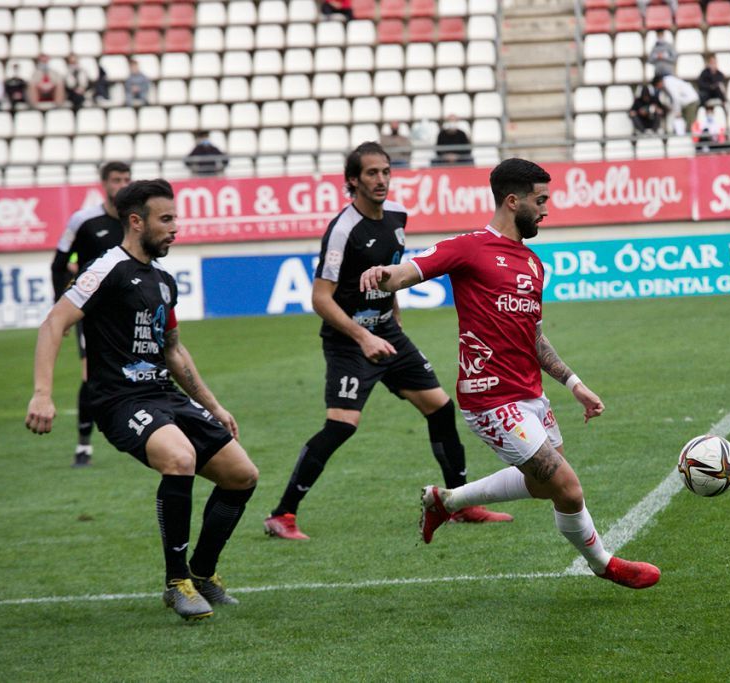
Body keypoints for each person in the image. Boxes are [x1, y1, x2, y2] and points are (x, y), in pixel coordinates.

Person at [358, 158, 661, 590]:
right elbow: (409, 270)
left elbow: (533, 337)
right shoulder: (470, 247)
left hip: (530, 396)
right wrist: (384, 276)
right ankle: (604, 564)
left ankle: (445, 502)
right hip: (490, 399)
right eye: (540, 200)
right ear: (512, 200)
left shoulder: (534, 265)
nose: (546, 210)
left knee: (545, 488)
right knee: (568, 489)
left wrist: (574, 384)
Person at [26, 179, 260, 622]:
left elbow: (172, 348)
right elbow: (53, 323)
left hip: (162, 394)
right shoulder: (105, 268)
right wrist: (43, 393)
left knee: (242, 475)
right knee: (180, 457)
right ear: (136, 222)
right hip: (119, 399)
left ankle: (204, 573)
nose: (176, 228)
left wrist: (213, 405)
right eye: (166, 219)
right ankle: (177, 583)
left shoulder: (163, 280)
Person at [263, 142, 510, 540]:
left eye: (386, 171)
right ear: (353, 181)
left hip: (387, 333)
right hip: (349, 341)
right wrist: (362, 336)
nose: (381, 180)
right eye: (372, 173)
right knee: (342, 426)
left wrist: (392, 307)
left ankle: (460, 504)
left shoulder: (397, 216)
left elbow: (387, 269)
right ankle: (282, 514)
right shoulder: (342, 230)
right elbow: (320, 297)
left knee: (441, 409)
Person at [51, 161, 132, 467]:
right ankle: (84, 445)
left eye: (127, 178)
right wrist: (63, 310)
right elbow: (59, 264)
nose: (122, 184)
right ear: (103, 183)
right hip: (93, 315)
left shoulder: (135, 221)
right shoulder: (83, 220)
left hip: (129, 313)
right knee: (91, 375)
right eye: (116, 179)